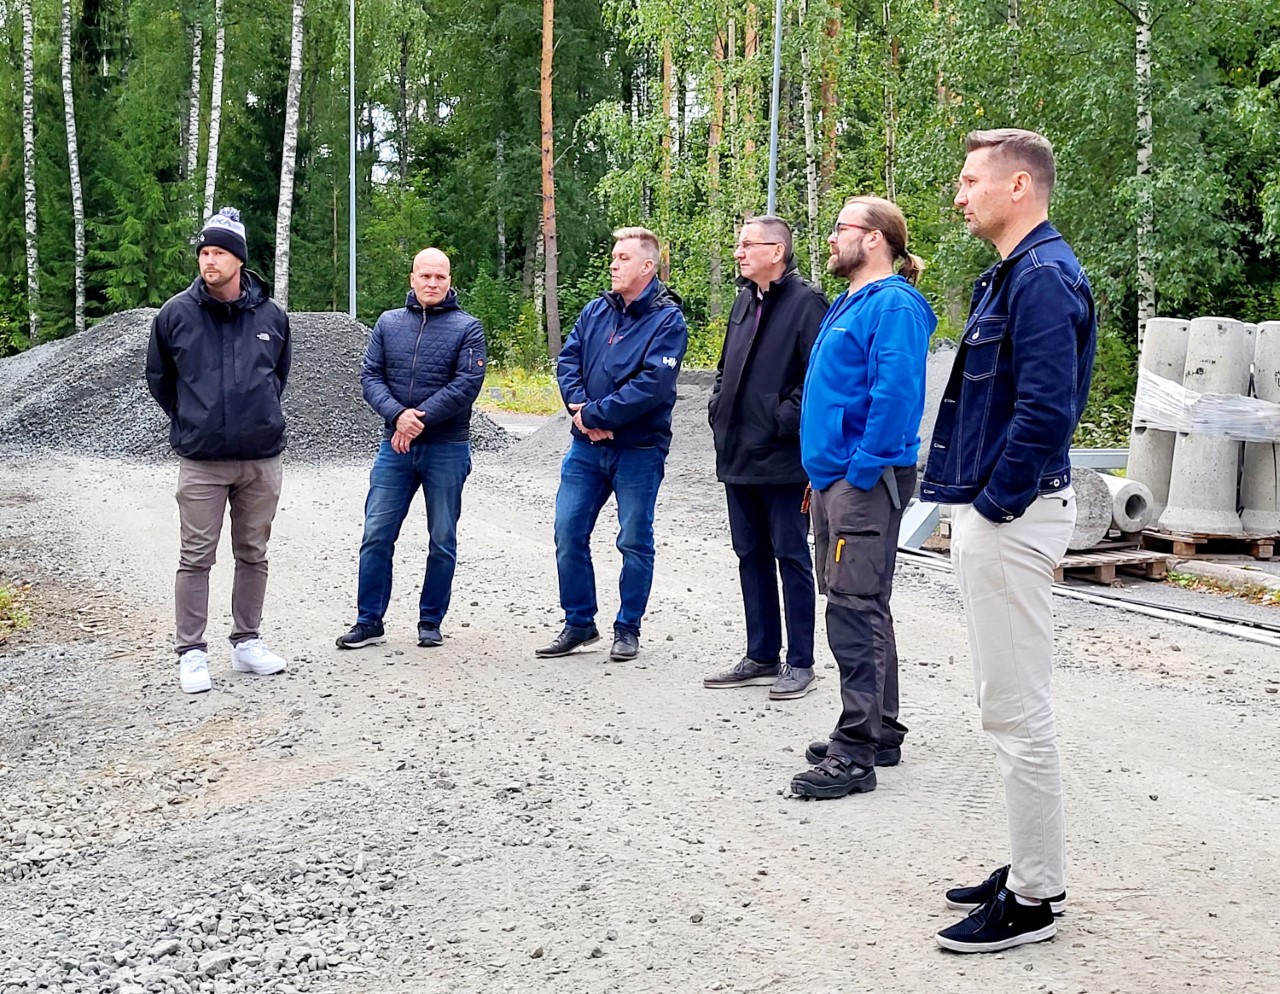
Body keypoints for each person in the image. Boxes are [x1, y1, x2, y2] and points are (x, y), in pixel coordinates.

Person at [922, 129, 1096, 953]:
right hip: (1005, 515)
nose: (959, 195)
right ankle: (1033, 865)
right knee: (1008, 704)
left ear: (1018, 187)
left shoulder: (1043, 278)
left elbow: (1048, 412)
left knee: (1016, 711)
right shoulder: (1018, 274)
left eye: (969, 180)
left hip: (1014, 518)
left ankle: (1033, 899)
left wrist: (991, 506)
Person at [789, 195, 936, 799]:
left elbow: (896, 395)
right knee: (860, 601)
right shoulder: (853, 301)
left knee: (854, 607)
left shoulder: (894, 305)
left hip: (861, 482)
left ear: (875, 239)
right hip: (833, 480)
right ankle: (880, 730)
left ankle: (854, 753)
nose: (830, 239)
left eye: (841, 228)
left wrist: (861, 467)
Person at [146, 207, 291, 695]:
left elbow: (278, 377)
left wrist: (259, 418)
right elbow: (161, 379)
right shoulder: (175, 315)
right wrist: (193, 419)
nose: (209, 260)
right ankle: (191, 652)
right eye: (204, 252)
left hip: (260, 458)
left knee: (253, 552)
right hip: (202, 460)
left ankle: (247, 642)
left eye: (219, 252)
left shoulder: (270, 315)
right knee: (196, 557)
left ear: (239, 260)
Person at [536, 227, 688, 662]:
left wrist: (596, 415)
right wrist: (579, 410)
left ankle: (628, 627)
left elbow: (653, 386)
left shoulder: (667, 320)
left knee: (634, 539)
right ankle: (579, 622)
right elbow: (568, 361)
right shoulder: (596, 310)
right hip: (585, 446)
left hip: (639, 449)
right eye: (614, 256)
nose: (613, 264)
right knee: (568, 530)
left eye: (623, 258)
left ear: (647, 266)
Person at [335, 248, 487, 651]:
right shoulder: (388, 324)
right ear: (412, 278)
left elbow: (466, 386)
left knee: (442, 538)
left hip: (447, 447)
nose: (432, 284)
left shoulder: (468, 328)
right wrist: (397, 416)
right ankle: (369, 621)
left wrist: (415, 419)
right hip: (394, 448)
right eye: (425, 276)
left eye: (440, 277)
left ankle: (430, 621)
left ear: (450, 280)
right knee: (376, 534)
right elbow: (371, 376)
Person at [702, 216, 827, 700]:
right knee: (749, 555)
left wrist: (780, 420)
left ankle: (800, 662)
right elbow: (724, 368)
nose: (739, 252)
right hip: (738, 453)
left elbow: (817, 378)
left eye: (747, 244)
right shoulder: (743, 300)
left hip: (782, 458)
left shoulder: (806, 302)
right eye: (739, 244)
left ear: (777, 251)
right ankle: (760, 655)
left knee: (790, 555)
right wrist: (718, 409)